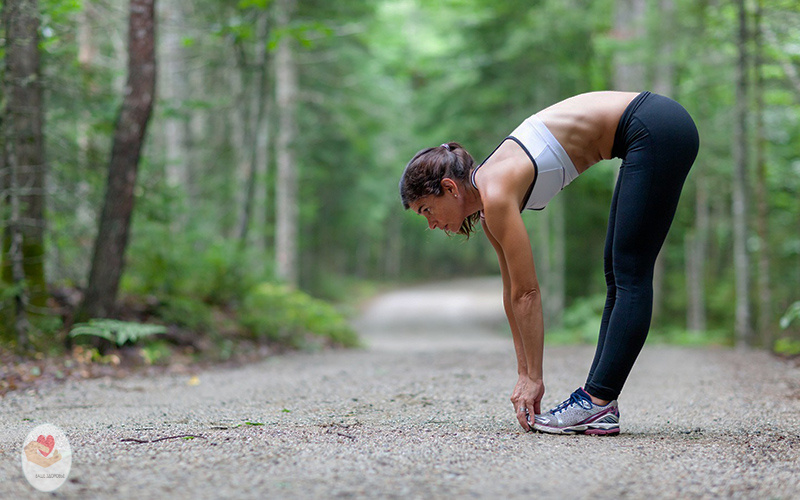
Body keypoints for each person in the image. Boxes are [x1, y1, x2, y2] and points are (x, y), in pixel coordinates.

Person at [399, 91, 699, 435]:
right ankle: (598, 402)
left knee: (629, 272)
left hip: (655, 125)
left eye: (426, 210)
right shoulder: (488, 205)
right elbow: (512, 291)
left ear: (450, 187)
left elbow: (528, 293)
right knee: (618, 274)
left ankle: (598, 402)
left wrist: (536, 378)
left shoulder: (495, 193)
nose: (431, 224)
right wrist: (525, 375)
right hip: (648, 130)